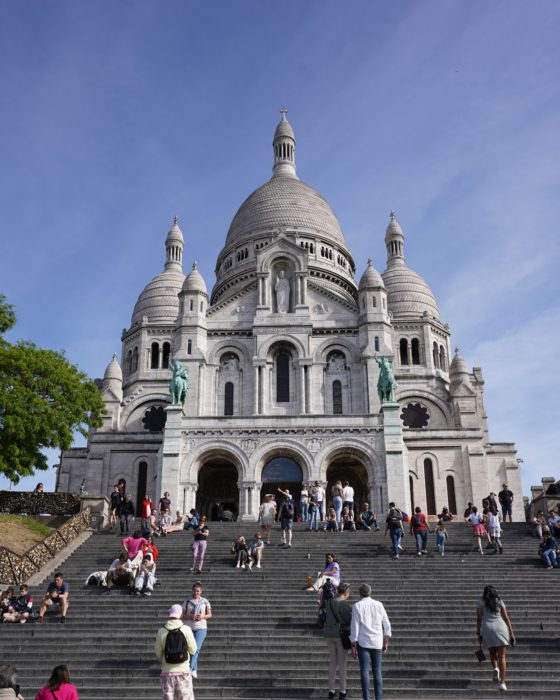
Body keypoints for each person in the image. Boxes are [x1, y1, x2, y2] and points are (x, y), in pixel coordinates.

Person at [350, 583, 391, 700]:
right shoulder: (379, 604)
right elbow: (387, 625)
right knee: (377, 671)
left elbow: (355, 627)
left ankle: (366, 698)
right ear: (370, 592)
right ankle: (379, 698)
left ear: (360, 593)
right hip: (377, 641)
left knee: (364, 671)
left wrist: (353, 645)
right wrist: (385, 641)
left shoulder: (357, 606)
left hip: (363, 642)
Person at [476, 585, 515, 691]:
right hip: (501, 627)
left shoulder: (480, 602)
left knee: (492, 653)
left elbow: (479, 618)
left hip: (488, 629)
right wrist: (511, 634)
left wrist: (478, 633)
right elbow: (506, 618)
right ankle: (502, 683)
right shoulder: (499, 601)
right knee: (502, 657)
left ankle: (495, 668)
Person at [155, 604, 197, 700]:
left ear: (169, 614)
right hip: (183, 672)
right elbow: (193, 650)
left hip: (167, 672)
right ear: (181, 615)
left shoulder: (161, 631)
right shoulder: (186, 629)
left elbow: (158, 653)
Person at [323, 582, 352, 700]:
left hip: (329, 634)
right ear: (345, 593)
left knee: (333, 662)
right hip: (340, 635)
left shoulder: (329, 601)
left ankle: (331, 690)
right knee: (342, 663)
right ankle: (342, 691)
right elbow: (349, 620)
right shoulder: (344, 604)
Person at [182, 582, 212, 679]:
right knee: (190, 648)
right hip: (188, 627)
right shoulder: (187, 601)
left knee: (196, 648)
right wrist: (190, 616)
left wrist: (202, 616)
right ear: (192, 591)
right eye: (194, 591)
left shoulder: (205, 601)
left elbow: (209, 615)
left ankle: (190, 668)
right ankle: (194, 668)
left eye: (198, 591)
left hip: (201, 627)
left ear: (201, 591)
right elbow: (181, 615)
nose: (196, 593)